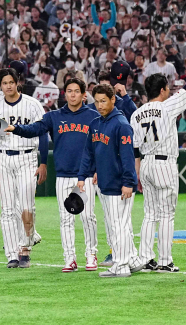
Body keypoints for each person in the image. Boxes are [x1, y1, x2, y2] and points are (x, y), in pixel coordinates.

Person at [8, 76, 99, 272]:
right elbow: (34, 129)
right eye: (69, 91)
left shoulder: (93, 115)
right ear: (64, 94)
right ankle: (69, 258)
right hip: (63, 175)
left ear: (84, 95)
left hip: (85, 175)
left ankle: (91, 254)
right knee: (66, 218)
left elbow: (100, 143)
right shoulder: (54, 116)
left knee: (88, 216)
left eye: (76, 91)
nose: (72, 94)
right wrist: (14, 128)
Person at [131, 69, 186, 272]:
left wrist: (138, 171)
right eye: (167, 87)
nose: (169, 90)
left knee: (150, 214)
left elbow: (134, 148)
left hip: (146, 163)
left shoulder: (136, 113)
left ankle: (146, 257)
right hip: (164, 163)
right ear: (161, 89)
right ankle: (165, 261)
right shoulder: (167, 106)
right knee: (167, 214)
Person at [77, 82, 139, 278]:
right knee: (119, 225)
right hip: (105, 183)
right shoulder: (96, 124)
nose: (100, 105)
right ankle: (132, 260)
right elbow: (89, 153)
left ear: (113, 99)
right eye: (96, 101)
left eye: (104, 101)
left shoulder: (121, 124)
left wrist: (129, 182)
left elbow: (128, 157)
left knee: (118, 226)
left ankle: (121, 265)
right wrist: (83, 175)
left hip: (119, 185)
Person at [0, 66, 48, 268]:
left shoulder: (32, 104)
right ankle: (12, 254)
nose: (8, 86)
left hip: (27, 157)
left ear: (18, 83)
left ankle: (26, 247)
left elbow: (43, 132)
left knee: (26, 206)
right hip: (3, 157)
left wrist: (43, 162)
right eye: (4, 83)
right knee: (7, 209)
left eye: (11, 82)